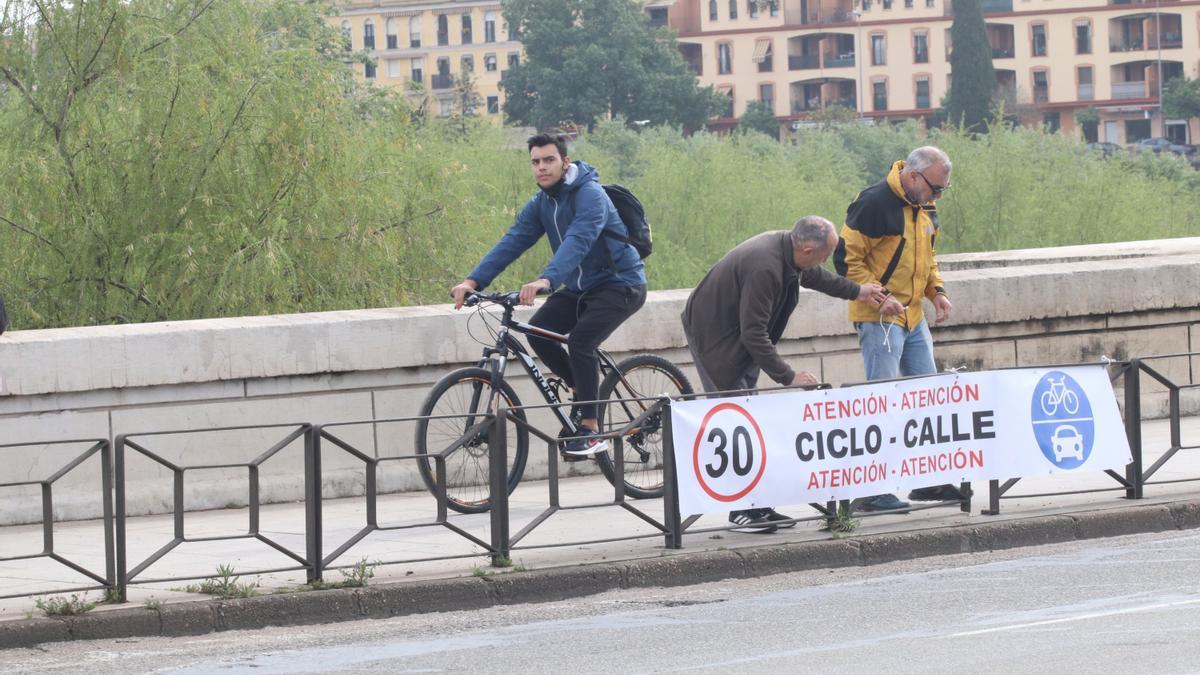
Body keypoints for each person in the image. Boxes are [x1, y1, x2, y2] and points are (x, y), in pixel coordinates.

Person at [682, 217, 886, 533]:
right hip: (716, 337)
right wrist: (788, 376)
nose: (820, 262)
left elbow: (816, 277)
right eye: (822, 255)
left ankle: (758, 504)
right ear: (806, 248)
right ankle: (741, 512)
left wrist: (857, 291)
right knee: (735, 421)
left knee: (749, 418)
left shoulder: (788, 250)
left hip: (738, 334)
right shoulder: (765, 268)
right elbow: (753, 333)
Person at [450, 133, 647, 458]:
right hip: (582, 289)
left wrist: (547, 279)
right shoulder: (542, 203)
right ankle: (579, 389)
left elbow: (579, 240)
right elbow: (513, 241)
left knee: (581, 341)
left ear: (565, 162)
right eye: (536, 162)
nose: (541, 167)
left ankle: (590, 426)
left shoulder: (590, 195)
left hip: (621, 284)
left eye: (549, 160)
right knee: (541, 333)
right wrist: (473, 281)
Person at [834, 145, 961, 511]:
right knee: (882, 403)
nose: (938, 195)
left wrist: (937, 292)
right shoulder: (873, 203)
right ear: (913, 176)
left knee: (929, 400)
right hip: (879, 318)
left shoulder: (926, 206)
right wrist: (878, 296)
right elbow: (846, 260)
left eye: (942, 190)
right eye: (936, 188)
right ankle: (871, 490)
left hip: (913, 314)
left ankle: (930, 481)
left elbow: (927, 257)